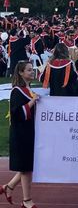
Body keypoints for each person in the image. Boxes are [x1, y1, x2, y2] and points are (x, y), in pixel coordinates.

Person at [0, 61, 39, 208]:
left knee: (27, 166)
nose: (32, 72)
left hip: (29, 132)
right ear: (21, 73)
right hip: (21, 134)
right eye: (29, 70)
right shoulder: (17, 91)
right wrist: (32, 102)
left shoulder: (28, 90)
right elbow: (16, 114)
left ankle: (8, 187)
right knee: (26, 167)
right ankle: (26, 200)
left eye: (32, 69)